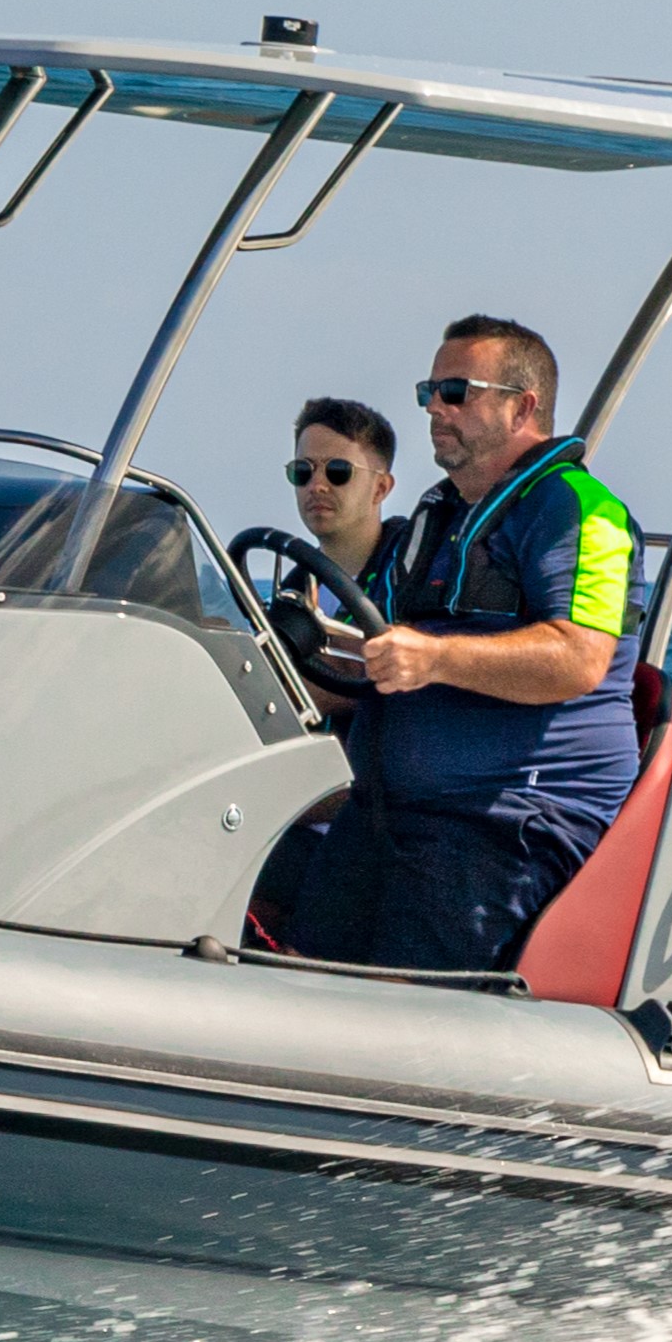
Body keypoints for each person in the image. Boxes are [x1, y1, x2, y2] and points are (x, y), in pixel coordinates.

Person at [310, 315, 642, 973]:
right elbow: (377, 652)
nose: (435, 407)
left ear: (523, 405)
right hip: (394, 812)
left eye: (457, 390)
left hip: (510, 822)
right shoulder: (438, 519)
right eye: (429, 391)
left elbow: (579, 658)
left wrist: (434, 658)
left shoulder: (582, 512)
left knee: (387, 992)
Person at [247, 400, 399, 950]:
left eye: (338, 472)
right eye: (303, 472)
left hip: (366, 802)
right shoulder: (295, 581)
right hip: (300, 787)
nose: (318, 486)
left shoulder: (408, 572)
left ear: (381, 488)